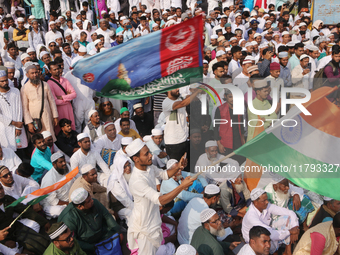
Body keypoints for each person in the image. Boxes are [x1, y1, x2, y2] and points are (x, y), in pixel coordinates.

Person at [126, 138, 196, 255]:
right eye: (146, 154)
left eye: (149, 152)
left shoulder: (149, 168)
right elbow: (160, 200)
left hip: (154, 220)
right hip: (144, 226)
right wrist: (181, 186)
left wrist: (178, 166)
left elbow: (164, 174)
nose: (150, 156)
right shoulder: (137, 181)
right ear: (136, 159)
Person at [58, 188, 122, 254]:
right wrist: (93, 248)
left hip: (103, 234)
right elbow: (74, 241)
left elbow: (107, 216)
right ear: (80, 207)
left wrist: (117, 231)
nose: (92, 201)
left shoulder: (94, 203)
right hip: (87, 245)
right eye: (89, 201)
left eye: (91, 198)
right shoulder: (69, 218)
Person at [242, 188, 300, 254]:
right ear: (255, 202)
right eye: (264, 200)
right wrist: (290, 232)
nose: (267, 202)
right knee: (280, 234)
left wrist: (295, 227)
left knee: (287, 219)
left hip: (268, 233)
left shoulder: (266, 206)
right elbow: (271, 234)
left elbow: (290, 213)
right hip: (258, 242)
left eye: (267, 199)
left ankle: (287, 251)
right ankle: (278, 251)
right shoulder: (251, 216)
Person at [0, 183, 51, 255]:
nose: (0, 192)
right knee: (11, 248)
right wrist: (3, 242)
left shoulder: (7, 199)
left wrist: (44, 222)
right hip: (3, 239)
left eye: (1, 188)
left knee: (40, 241)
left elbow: (25, 210)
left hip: (16, 229)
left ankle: (25, 249)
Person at [163, 87, 202, 161]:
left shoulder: (180, 98)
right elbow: (183, 103)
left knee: (185, 166)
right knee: (176, 168)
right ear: (168, 90)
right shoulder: (166, 102)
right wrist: (196, 92)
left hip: (184, 140)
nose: (178, 89)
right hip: (173, 142)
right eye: (175, 88)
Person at [21, 64, 59, 141]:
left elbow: (52, 101)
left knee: (49, 137)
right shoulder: (24, 88)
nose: (35, 75)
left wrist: (55, 116)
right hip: (34, 120)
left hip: (47, 116)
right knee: (38, 140)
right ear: (27, 75)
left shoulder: (45, 85)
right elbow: (24, 107)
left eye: (36, 72)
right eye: (32, 73)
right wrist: (29, 123)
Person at [214, 89, 246, 165]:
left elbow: (241, 128)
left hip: (238, 142)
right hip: (226, 143)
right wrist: (219, 144)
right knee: (227, 164)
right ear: (225, 96)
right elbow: (215, 127)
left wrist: (243, 143)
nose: (233, 99)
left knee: (240, 163)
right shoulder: (220, 109)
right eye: (230, 97)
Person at [0, 67, 28, 152]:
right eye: (2, 81)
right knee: (8, 150)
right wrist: (13, 123)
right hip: (5, 127)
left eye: (6, 80)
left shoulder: (15, 91)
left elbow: (20, 109)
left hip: (18, 125)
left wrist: (18, 127)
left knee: (20, 150)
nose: (5, 82)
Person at [40, 152, 74, 218]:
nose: (64, 163)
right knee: (62, 211)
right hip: (52, 205)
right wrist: (69, 203)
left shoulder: (66, 167)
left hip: (68, 199)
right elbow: (53, 201)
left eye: (64, 161)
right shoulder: (49, 179)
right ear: (54, 164)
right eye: (61, 162)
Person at [47, 61, 77, 135]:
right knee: (60, 129)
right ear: (50, 71)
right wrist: (67, 99)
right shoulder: (49, 83)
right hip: (59, 110)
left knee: (71, 127)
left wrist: (62, 97)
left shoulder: (65, 80)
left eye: (58, 69)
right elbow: (55, 101)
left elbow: (74, 94)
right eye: (54, 69)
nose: (57, 71)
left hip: (68, 108)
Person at [107, 157, 133, 224]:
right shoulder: (114, 181)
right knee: (133, 214)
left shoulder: (125, 174)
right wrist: (137, 209)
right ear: (120, 167)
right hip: (119, 207)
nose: (128, 168)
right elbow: (125, 200)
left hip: (130, 202)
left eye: (128, 165)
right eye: (125, 166)